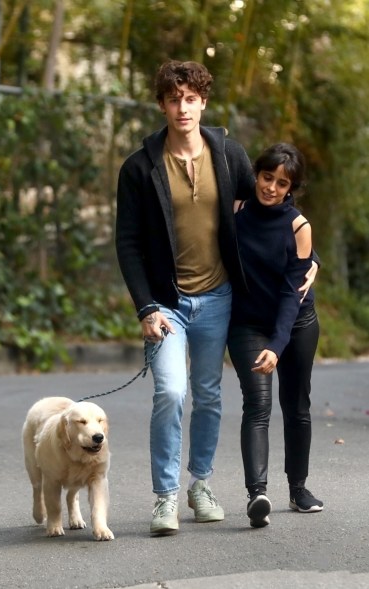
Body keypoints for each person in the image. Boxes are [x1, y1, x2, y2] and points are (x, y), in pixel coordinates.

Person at [115, 59, 258, 536]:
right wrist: (145, 306)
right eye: (173, 98)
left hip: (218, 297)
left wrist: (306, 246)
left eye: (191, 98)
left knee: (209, 395)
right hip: (166, 304)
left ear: (203, 102)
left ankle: (201, 484)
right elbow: (128, 242)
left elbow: (264, 212)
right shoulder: (139, 168)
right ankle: (165, 497)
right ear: (161, 104)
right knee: (171, 391)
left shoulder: (230, 154)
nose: (183, 107)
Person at [227, 143, 323, 529]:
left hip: (295, 322)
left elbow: (291, 293)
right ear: (257, 176)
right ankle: (257, 495)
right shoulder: (235, 212)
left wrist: (277, 346)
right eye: (267, 178)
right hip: (247, 321)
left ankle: (298, 489)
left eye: (281, 183)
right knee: (258, 403)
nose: (271, 188)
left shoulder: (299, 227)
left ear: (290, 188)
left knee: (296, 405)